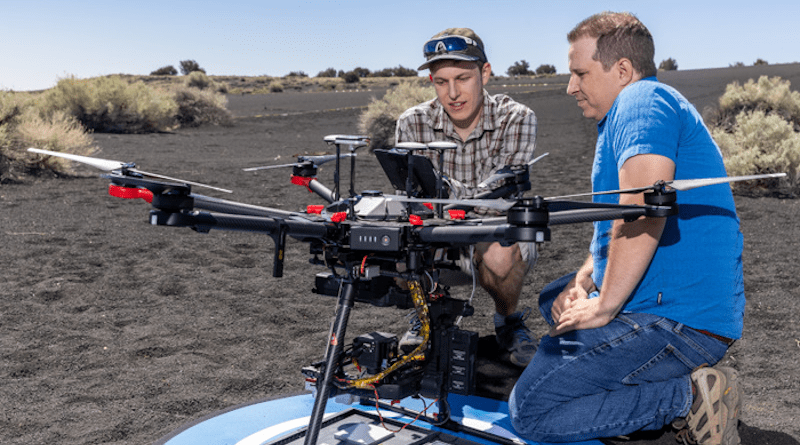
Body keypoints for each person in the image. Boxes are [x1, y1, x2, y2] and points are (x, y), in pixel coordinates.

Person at [508, 12, 744, 445]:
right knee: (554, 298)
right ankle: (629, 385)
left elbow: (642, 208)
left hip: (679, 322)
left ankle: (688, 398)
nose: (570, 86)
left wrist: (602, 306)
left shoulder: (641, 101)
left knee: (532, 411)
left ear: (621, 70)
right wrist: (585, 279)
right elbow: (615, 225)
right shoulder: (634, 112)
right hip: (676, 307)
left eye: (580, 73)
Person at [395, 28, 539, 367]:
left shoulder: (516, 118)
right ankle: (427, 315)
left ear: (485, 73)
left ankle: (508, 320)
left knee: (502, 257)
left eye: (463, 78)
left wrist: (441, 191)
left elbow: (500, 197)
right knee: (394, 246)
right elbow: (416, 200)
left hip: (495, 234)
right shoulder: (411, 123)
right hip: (437, 236)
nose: (453, 93)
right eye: (441, 81)